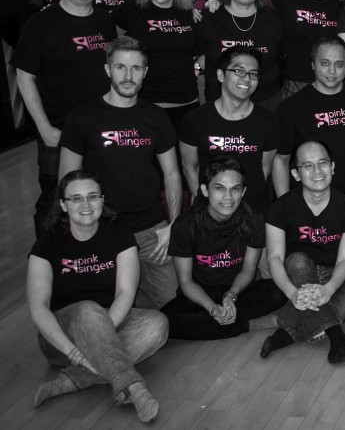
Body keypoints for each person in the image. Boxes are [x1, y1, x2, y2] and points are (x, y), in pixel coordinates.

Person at [27, 171, 167, 422]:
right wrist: (72, 350)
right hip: (61, 340)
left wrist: (101, 332)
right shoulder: (46, 245)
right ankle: (133, 387)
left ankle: (71, 381)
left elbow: (125, 292)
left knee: (158, 324)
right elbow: (38, 307)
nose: (85, 205)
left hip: (109, 323)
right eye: (76, 198)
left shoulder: (120, 235)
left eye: (93, 196)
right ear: (62, 205)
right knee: (88, 309)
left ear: (103, 200)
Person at [59, 36, 182, 309]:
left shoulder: (156, 116)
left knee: (174, 307)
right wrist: (81, 232)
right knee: (101, 305)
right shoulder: (82, 117)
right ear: (107, 70)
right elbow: (66, 182)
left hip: (151, 230)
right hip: (102, 229)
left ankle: (133, 292)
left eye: (136, 68)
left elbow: (172, 174)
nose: (128, 76)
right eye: (120, 68)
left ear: (145, 72)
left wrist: (172, 225)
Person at [15, 0, 117, 237]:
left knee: (95, 195)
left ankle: (93, 255)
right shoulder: (41, 24)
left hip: (100, 128)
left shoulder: (104, 21)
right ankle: (49, 261)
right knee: (54, 200)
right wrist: (44, 128)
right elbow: (24, 77)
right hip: (58, 132)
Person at [261, 140, 345, 364]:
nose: (317, 171)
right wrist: (292, 293)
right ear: (295, 174)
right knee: (297, 260)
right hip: (300, 275)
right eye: (308, 166)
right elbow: (275, 258)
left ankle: (291, 333)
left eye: (322, 163)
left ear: (332, 167)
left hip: (336, 273)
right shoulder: (281, 207)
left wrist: (329, 289)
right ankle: (336, 335)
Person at [161, 157, 287, 340]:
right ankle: (248, 324)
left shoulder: (254, 220)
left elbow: (249, 270)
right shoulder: (185, 225)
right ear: (205, 190)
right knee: (164, 322)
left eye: (235, 189)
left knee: (278, 291)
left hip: (237, 289)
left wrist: (232, 296)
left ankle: (222, 320)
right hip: (200, 293)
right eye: (219, 188)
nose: (228, 197)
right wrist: (212, 308)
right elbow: (186, 282)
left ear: (243, 192)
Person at [179, 47, 279, 214]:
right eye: (239, 71)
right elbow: (190, 168)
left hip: (253, 211)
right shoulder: (195, 120)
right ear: (220, 75)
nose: (246, 79)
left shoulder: (268, 122)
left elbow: (264, 169)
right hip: (210, 212)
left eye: (253, 74)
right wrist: (202, 204)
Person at [274, 37, 345, 195]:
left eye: (339, 64)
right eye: (325, 63)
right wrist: (285, 205)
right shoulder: (292, 107)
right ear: (312, 65)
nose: (332, 71)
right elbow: (281, 160)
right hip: (311, 201)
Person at [111, 0, 199, 128]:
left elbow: (205, 49)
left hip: (187, 105)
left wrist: (197, 66)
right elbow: (107, 40)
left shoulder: (190, 13)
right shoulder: (132, 9)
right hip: (146, 107)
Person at [196, 0, 284, 109]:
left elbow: (282, 57)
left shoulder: (274, 21)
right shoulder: (209, 18)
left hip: (266, 104)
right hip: (220, 105)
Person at [268, 0, 343, 98]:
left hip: (332, 81)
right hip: (296, 82)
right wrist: (220, 0)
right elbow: (249, 2)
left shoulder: (340, 2)